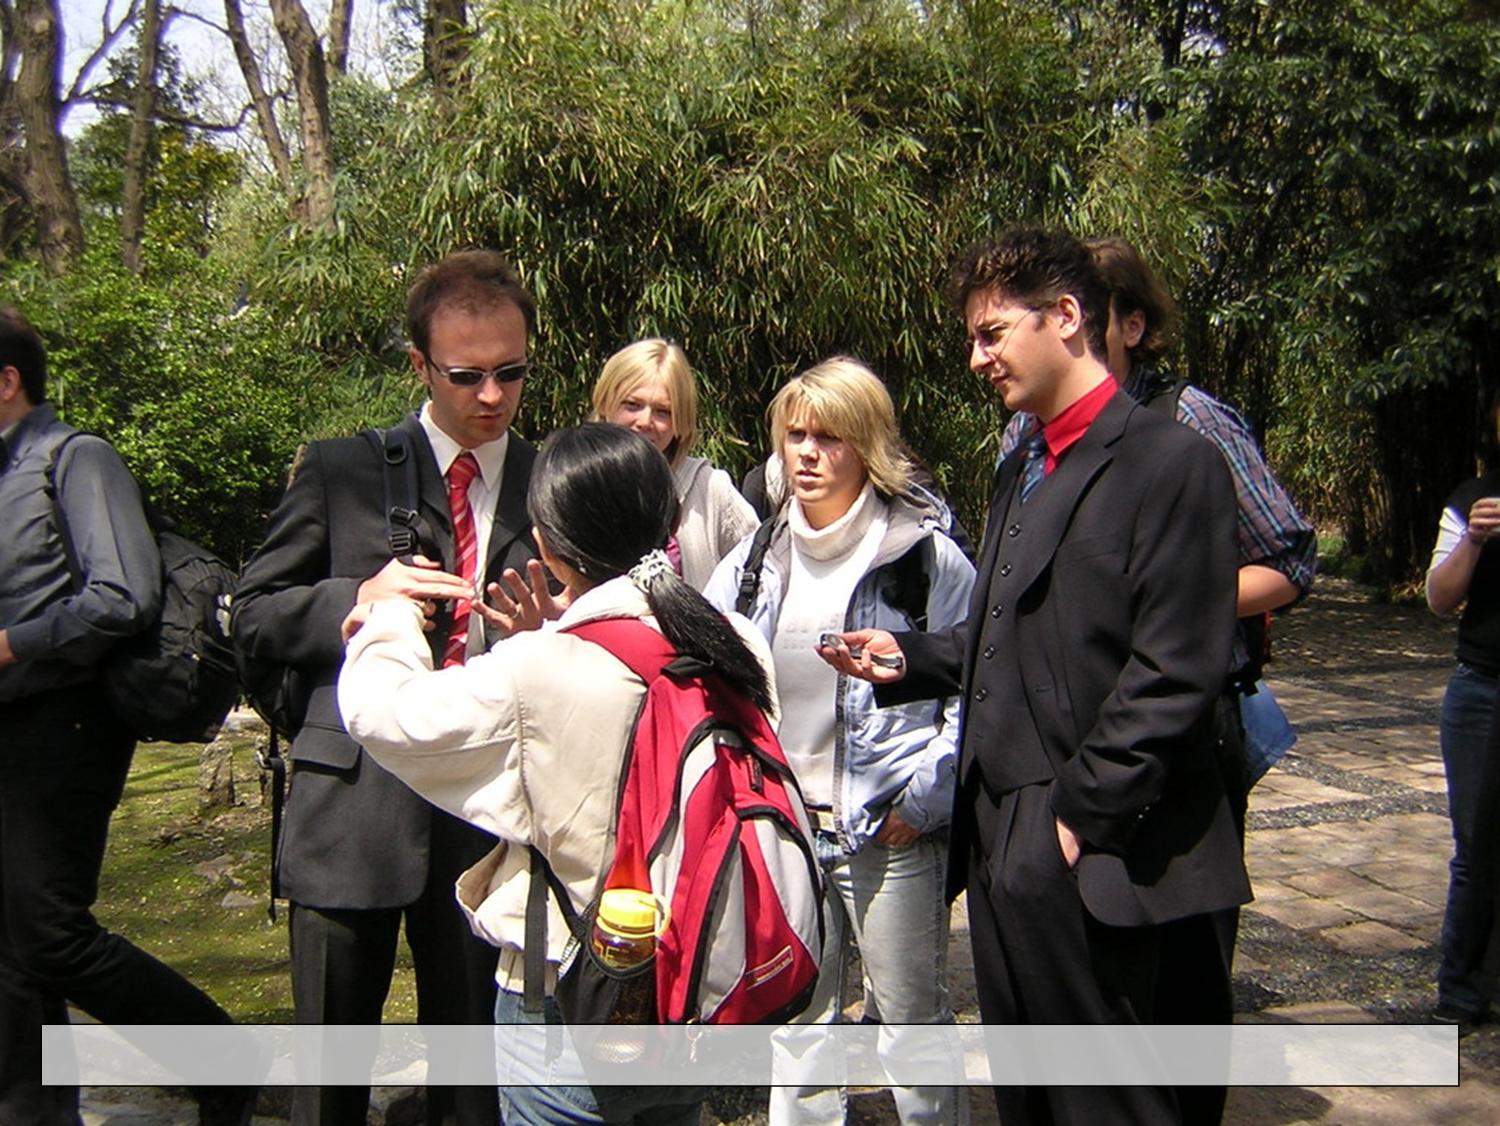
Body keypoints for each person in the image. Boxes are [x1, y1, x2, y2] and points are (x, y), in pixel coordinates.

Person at [823, 228, 1249, 1125]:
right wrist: (915, 657)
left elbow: (1174, 669)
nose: (976, 358)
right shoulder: (1023, 461)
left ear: (1066, 316)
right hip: (1006, 841)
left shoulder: (1172, 461)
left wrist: (1073, 823)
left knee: (1117, 1103)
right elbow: (1023, 630)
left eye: (991, 332)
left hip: (1105, 852)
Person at [336, 422, 777, 1125]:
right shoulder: (735, 642)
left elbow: (385, 715)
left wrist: (388, 616)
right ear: (666, 524)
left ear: (546, 545)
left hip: (570, 1003)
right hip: (695, 990)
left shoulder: (539, 670)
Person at [232, 250, 542, 1126]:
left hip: (487, 814)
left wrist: (549, 635)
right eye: (467, 375)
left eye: (511, 372)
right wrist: (355, 598)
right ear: (419, 366)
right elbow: (251, 614)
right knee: (329, 1082)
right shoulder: (342, 471)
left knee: (473, 1085)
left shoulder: (550, 478)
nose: (492, 396)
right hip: (348, 808)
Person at [704, 357, 974, 1126]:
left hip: (889, 833)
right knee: (799, 1028)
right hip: (787, 830)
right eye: (796, 435)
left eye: (831, 436)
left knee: (910, 1027)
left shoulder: (922, 557)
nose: (809, 453)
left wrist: (921, 803)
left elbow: (976, 690)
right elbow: (710, 667)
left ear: (868, 447)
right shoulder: (756, 559)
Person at [0, 306, 252, 1126]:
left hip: (65, 723)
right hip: (10, 727)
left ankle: (223, 1061)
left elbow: (123, 594)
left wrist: (11, 644)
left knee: (47, 932)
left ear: (8, 382)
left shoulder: (73, 459)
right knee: (10, 945)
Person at [1000, 237, 1316, 805]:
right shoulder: (1023, 437)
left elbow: (1287, 563)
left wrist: (1163, 609)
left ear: (1132, 326)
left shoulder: (1190, 425)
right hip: (1056, 722)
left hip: (1174, 726)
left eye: (1091, 316)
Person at [590, 337, 759, 588]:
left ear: (680, 421)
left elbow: (762, 568)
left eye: (663, 412)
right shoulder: (579, 481)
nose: (645, 421)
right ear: (605, 404)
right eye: (632, 405)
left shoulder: (710, 489)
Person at [1425, 469, 1500, 1030]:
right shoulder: (1477, 498)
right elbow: (1438, 597)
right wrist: (1473, 541)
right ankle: (1463, 990)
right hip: (1483, 690)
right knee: (1477, 846)